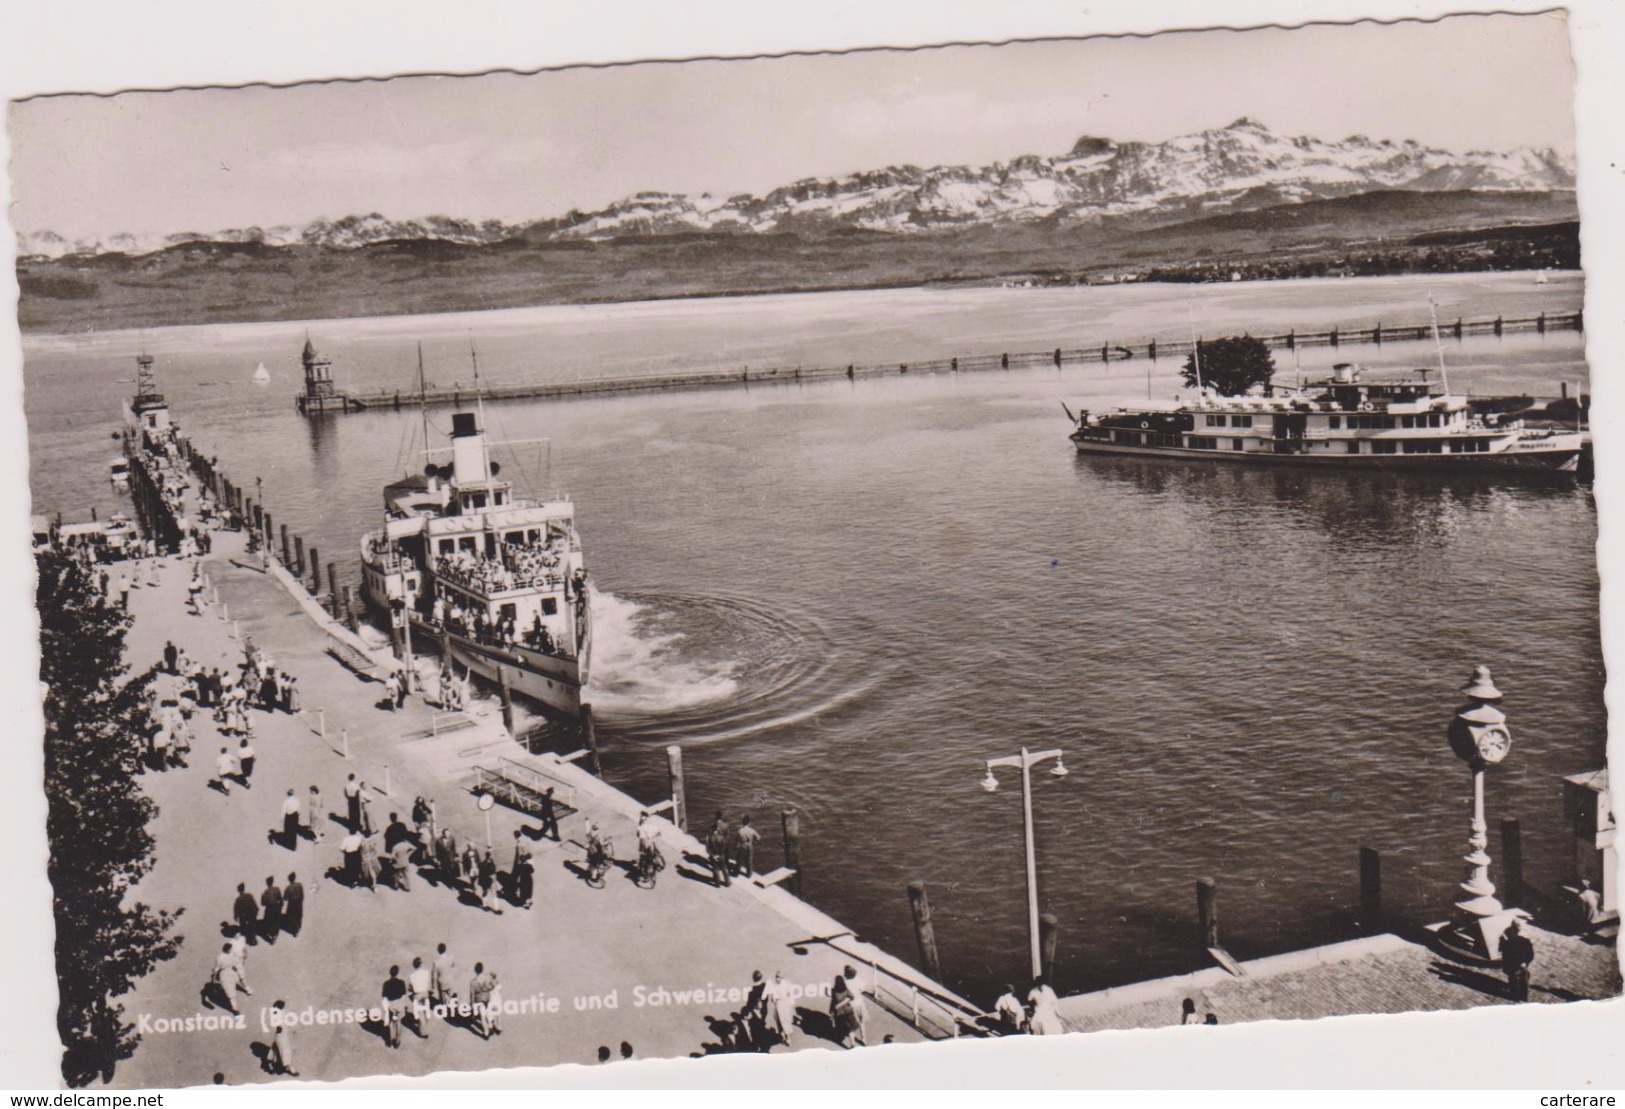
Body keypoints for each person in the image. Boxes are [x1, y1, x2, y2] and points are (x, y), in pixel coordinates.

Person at [1501, 921, 1535, 1002]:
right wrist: (1525, 963)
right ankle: (1523, 997)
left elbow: (1505, 955)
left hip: (1513, 965)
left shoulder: (1508, 942)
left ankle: (1515, 996)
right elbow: (1530, 954)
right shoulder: (1526, 941)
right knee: (1523, 981)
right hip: (1521, 965)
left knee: (1514, 980)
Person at [764, 970, 796, 1047]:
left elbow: (791, 996)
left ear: (782, 978)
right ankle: (783, 1035)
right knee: (779, 1022)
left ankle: (788, 1037)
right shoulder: (775, 986)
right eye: (776, 977)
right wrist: (774, 1000)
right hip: (778, 1007)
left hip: (785, 1007)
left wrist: (791, 1004)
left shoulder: (788, 984)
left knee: (786, 1021)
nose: (776, 979)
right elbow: (772, 999)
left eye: (778, 977)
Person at [268, 1000, 299, 1076]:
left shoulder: (277, 1014)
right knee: (284, 1051)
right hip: (281, 1036)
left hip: (279, 1035)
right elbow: (281, 1027)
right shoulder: (281, 1014)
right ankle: (291, 1069)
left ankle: (271, 1065)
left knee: (276, 1049)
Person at [469, 962, 499, 1039]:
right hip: (487, 997)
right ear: (482, 969)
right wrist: (488, 989)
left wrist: (472, 1005)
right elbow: (494, 985)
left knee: (482, 1016)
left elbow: (472, 995)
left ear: (475, 970)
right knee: (489, 1011)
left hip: (479, 1000)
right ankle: (491, 1026)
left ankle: (486, 1033)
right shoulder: (488, 977)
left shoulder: (473, 983)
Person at [381, 966, 408, 1049]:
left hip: (391, 1004)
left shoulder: (386, 983)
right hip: (399, 1004)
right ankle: (397, 1040)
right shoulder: (401, 982)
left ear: (390, 973)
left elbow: (384, 995)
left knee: (391, 1022)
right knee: (398, 1022)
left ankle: (389, 1040)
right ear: (397, 973)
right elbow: (404, 994)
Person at [407, 957, 433, 1039]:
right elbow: (429, 982)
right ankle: (426, 1026)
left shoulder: (411, 976)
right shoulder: (426, 972)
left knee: (420, 1013)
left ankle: (423, 1031)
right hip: (425, 993)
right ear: (421, 965)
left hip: (417, 995)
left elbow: (409, 988)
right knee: (426, 1011)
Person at [706, 812, 732, 887]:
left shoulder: (709, 838)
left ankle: (717, 883)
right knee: (724, 868)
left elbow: (708, 848)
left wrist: (713, 855)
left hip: (714, 855)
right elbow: (726, 841)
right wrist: (721, 853)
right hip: (721, 854)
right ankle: (727, 882)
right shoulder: (722, 835)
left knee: (715, 869)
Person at [732, 814, 761, 879]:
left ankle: (736, 873)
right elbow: (758, 837)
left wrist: (736, 848)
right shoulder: (752, 830)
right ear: (749, 822)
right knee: (749, 860)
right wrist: (754, 842)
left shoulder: (740, 831)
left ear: (742, 822)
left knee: (739, 860)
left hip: (743, 845)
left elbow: (736, 840)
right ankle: (749, 874)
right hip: (750, 845)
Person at [511, 831, 534, 909]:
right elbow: (532, 870)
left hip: (524, 877)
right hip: (528, 877)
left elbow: (520, 854)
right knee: (529, 889)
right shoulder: (528, 866)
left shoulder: (520, 843)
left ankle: (525, 902)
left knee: (524, 890)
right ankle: (529, 900)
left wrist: (520, 863)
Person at [432, 943, 458, 1010]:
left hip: (442, 982)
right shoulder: (451, 957)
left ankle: (446, 1010)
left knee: (443, 999)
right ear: (445, 949)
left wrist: (433, 987)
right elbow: (454, 966)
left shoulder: (436, 962)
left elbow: (434, 975)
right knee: (451, 996)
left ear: (438, 950)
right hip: (450, 980)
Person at [478, 849, 503, 913]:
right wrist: (490, 876)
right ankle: (484, 905)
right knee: (485, 892)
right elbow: (482, 874)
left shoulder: (491, 861)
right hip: (486, 881)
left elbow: (494, 869)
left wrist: (494, 876)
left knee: (494, 894)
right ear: (489, 856)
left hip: (491, 881)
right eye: (492, 855)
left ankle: (497, 909)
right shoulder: (484, 864)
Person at [259, 876, 283, 944]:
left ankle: (271, 936)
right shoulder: (277, 889)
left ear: (267, 883)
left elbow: (262, 903)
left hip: (269, 909)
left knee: (267, 923)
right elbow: (280, 900)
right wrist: (279, 908)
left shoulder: (265, 892)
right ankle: (274, 935)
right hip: (276, 908)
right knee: (276, 922)